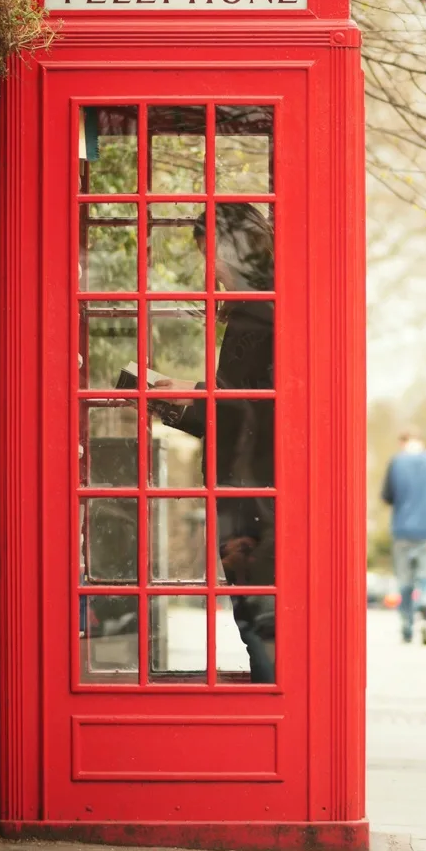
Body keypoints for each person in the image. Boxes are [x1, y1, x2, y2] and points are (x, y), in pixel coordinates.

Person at [155, 203, 276, 683]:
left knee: (258, 621)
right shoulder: (257, 312)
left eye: (213, 254)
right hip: (250, 494)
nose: (212, 270)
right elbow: (239, 407)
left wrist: (178, 399)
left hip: (252, 499)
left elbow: (248, 413)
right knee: (256, 621)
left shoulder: (259, 317)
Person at [381, 429, 426, 645]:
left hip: (402, 530)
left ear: (403, 442)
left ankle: (407, 626)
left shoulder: (397, 462)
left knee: (405, 582)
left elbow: (387, 496)